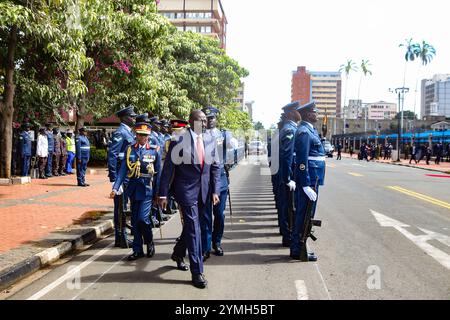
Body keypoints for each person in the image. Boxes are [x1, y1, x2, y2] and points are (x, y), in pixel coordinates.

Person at [158, 110, 220, 289]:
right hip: (185, 190)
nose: (205, 123)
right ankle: (197, 271)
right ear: (191, 122)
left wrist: (215, 190)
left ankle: (178, 253)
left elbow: (215, 167)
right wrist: (163, 194)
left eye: (206, 120)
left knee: (195, 225)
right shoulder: (178, 141)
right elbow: (168, 169)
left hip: (205, 191)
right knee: (194, 228)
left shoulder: (209, 140)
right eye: (201, 120)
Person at [110, 121, 160, 261]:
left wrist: (159, 193)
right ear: (136, 135)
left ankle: (149, 240)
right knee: (135, 221)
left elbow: (159, 173)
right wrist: (115, 187)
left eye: (145, 135)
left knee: (142, 219)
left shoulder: (154, 149)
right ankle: (137, 249)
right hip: (133, 188)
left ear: (148, 136)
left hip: (147, 189)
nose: (142, 138)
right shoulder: (130, 149)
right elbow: (123, 170)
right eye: (139, 135)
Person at [200, 106, 237, 260]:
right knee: (206, 216)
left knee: (219, 216)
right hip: (203, 181)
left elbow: (234, 149)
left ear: (216, 119)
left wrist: (230, 163)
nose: (210, 121)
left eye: (212, 118)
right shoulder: (198, 135)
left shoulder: (223, 134)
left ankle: (217, 242)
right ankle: (206, 246)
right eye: (207, 118)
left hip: (220, 180)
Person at [291, 101, 326, 262]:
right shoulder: (304, 132)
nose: (316, 114)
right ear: (306, 115)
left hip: (314, 179)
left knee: (307, 214)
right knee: (303, 214)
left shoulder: (309, 130)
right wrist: (304, 185)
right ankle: (297, 249)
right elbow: (302, 160)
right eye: (314, 112)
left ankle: (301, 246)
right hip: (309, 180)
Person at [108, 106, 137, 247]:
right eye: (131, 116)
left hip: (127, 175)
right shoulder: (120, 132)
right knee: (120, 207)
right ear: (124, 117)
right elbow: (113, 154)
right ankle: (121, 238)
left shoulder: (128, 132)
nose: (133, 118)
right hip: (121, 175)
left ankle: (121, 237)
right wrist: (114, 179)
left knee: (123, 207)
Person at [277, 101, 301, 248]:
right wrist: (287, 179)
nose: (299, 112)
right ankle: (288, 237)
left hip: (287, 173)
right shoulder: (290, 129)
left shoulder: (288, 128)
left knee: (287, 207)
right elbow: (286, 156)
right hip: (288, 175)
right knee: (288, 207)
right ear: (291, 113)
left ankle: (287, 235)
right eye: (296, 110)